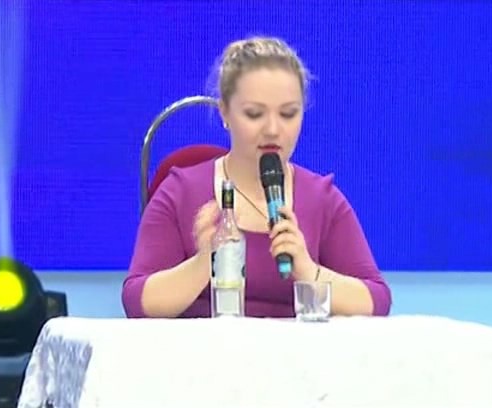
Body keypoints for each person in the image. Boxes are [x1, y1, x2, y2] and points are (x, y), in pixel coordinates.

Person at [122, 36, 392, 318]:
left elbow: (377, 301)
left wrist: (309, 270)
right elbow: (136, 302)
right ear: (225, 112)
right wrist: (204, 263)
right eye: (254, 114)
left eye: (288, 114)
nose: (273, 130)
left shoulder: (322, 200)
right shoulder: (181, 192)